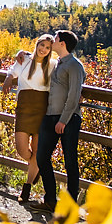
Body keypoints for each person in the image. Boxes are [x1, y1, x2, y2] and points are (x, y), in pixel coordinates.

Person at [31, 29, 85, 212]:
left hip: (68, 119)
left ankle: (70, 207)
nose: (52, 41)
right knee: (41, 156)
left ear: (62, 43)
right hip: (50, 115)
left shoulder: (75, 66)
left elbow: (74, 95)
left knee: (70, 161)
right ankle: (51, 200)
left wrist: (63, 120)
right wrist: (21, 55)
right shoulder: (57, 64)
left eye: (55, 39)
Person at [1, 34, 57, 203]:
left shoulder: (53, 65)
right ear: (37, 44)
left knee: (38, 150)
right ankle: (37, 165)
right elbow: (12, 72)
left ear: (50, 51)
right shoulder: (24, 60)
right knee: (22, 149)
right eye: (42, 45)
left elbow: (68, 72)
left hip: (43, 110)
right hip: (24, 109)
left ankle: (27, 188)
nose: (44, 49)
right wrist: (8, 79)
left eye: (48, 47)